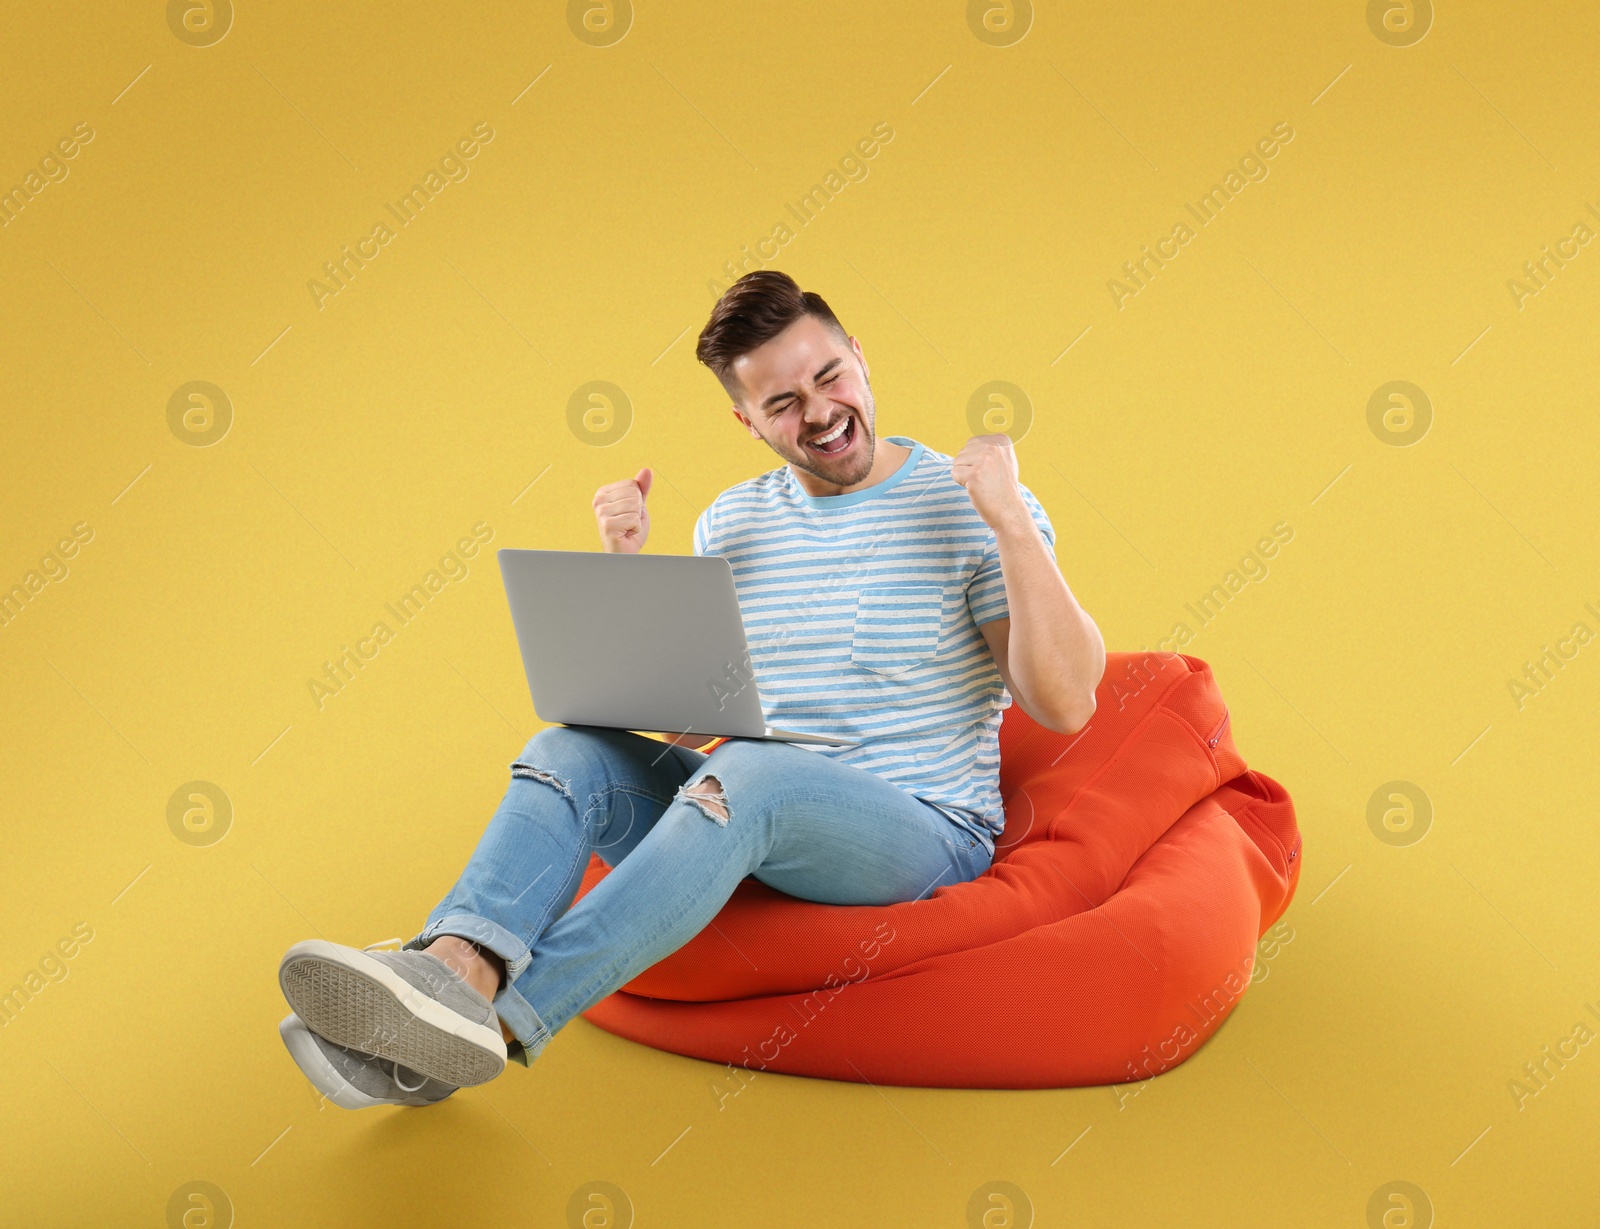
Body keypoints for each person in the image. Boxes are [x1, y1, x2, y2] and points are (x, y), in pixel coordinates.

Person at [275, 270, 1106, 1107]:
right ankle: (452, 969)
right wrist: (624, 571)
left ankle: (492, 1022)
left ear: (860, 358)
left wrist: (1009, 522)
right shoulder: (733, 521)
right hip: (747, 809)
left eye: (828, 376)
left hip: (919, 830)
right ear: (745, 421)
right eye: (781, 402)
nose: (818, 411)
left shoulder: (969, 503)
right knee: (567, 750)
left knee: (754, 775)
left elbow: (1065, 701)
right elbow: (697, 707)